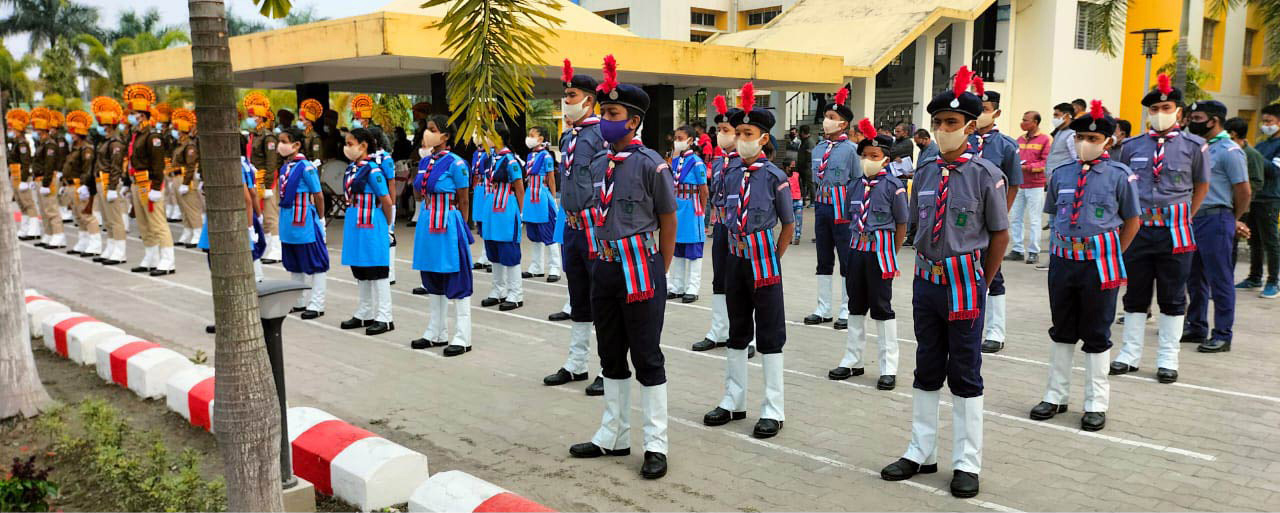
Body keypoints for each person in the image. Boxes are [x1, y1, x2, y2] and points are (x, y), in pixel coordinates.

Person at [879, 66, 1008, 499]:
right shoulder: (928, 170)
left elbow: (1000, 235)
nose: (942, 130)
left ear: (971, 127)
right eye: (937, 123)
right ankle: (920, 451)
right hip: (927, 284)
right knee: (927, 367)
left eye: (951, 123)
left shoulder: (985, 174)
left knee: (966, 372)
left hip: (964, 285)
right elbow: (917, 226)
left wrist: (980, 282)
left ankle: (967, 462)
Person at [569, 55, 675, 480]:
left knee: (647, 356)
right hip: (605, 267)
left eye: (612, 114)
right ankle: (612, 434)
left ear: (632, 122)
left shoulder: (651, 164)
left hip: (641, 269)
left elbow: (668, 220)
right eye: (604, 113)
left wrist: (660, 270)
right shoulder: (598, 163)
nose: (604, 120)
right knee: (610, 352)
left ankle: (656, 443)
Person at [1031, 100, 1140, 433]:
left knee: (1096, 332)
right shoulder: (1062, 173)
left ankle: (1095, 402)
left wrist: (1113, 254)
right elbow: (1053, 212)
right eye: (1080, 136)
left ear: (1107, 141)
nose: (1084, 143)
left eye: (1092, 138)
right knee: (1061, 328)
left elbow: (1132, 220)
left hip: (1099, 264)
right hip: (1063, 261)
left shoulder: (1120, 175)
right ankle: (1055, 395)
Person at [702, 83, 794, 439]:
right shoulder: (729, 172)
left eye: (748, 133)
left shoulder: (775, 177)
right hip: (735, 257)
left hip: (763, 260)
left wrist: (773, 256)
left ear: (764, 138)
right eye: (737, 133)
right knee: (737, 329)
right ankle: (733, 400)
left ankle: (773, 408)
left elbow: (787, 225)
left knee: (770, 334)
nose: (740, 139)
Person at [1109, 74, 1209, 384]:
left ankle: (1168, 357)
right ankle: (1130, 353)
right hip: (1139, 230)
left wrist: (1184, 216)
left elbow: (1201, 185)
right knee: (1135, 293)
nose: (1159, 113)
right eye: (1154, 108)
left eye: (1165, 107)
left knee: (1173, 295)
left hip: (1174, 232)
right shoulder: (1132, 146)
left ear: (1178, 111)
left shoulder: (1195, 146)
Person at [828, 118, 908, 391]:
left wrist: (892, 253)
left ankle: (888, 367)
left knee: (882, 308)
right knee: (855, 305)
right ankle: (853, 359)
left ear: (886, 159)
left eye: (874, 156)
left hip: (880, 252)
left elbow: (901, 224)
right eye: (864, 156)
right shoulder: (855, 185)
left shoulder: (893, 186)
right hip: (856, 250)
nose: (868, 160)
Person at [542, 59, 606, 396]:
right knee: (578, 295)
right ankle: (576, 363)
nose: (566, 100)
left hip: (595, 227)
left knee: (603, 298)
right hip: (571, 227)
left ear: (589, 100)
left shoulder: (600, 135)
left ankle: (609, 368)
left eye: (572, 95)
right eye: (565, 95)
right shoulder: (569, 137)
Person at [1181, 100, 1250, 354]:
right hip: (1193, 219)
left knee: (1220, 278)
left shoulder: (1229, 151)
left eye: (1197, 117)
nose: (1192, 122)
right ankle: (1196, 325)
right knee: (1193, 276)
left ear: (1213, 121)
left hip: (1216, 218)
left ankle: (1222, 333)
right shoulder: (1196, 147)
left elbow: (1243, 190)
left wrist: (1233, 218)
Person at [692, 96, 757, 358]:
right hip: (721, 226)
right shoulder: (718, 162)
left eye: (726, 130)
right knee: (719, 279)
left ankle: (747, 336)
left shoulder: (747, 163)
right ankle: (718, 331)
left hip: (742, 230)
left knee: (743, 282)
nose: (721, 134)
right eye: (719, 130)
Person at [410, 115, 475, 356]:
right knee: (432, 276)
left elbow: (464, 198)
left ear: (445, 136)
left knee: (456, 277)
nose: (427, 133)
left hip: (448, 220)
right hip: (428, 221)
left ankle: (462, 336)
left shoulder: (456, 164)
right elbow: (418, 193)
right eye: (427, 129)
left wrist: (463, 225)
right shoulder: (425, 162)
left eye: (432, 129)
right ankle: (436, 331)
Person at [968, 78, 1022, 354]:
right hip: (965, 219)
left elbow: (1014, 183)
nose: (980, 113)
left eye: (985, 108)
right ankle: (971, 322)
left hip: (991, 219)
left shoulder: (1006, 146)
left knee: (993, 272)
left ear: (996, 113)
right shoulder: (963, 141)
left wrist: (1002, 215)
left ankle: (995, 330)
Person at [806, 86, 858, 330]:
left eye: (832, 118)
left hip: (843, 209)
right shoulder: (818, 148)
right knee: (823, 257)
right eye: (826, 116)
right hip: (822, 206)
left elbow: (857, 182)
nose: (827, 121)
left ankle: (848, 308)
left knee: (846, 258)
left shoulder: (851, 151)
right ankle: (823, 307)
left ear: (844, 124)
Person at [339, 128, 396, 336]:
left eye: (350, 143)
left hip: (372, 223)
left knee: (378, 271)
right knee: (361, 269)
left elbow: (386, 200)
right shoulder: (351, 168)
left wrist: (387, 225)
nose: (347, 148)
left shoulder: (373, 170)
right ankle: (364, 312)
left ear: (363, 146)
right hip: (355, 224)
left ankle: (385, 316)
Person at [275, 127, 331, 320]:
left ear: (296, 145)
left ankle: (317, 303)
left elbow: (318, 195)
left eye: (284, 141)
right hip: (288, 222)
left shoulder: (306, 167)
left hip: (304, 220)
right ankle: (299, 300)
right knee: (294, 263)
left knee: (315, 263)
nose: (280, 145)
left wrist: (321, 219)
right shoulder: (285, 167)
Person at [123, 84, 176, 276]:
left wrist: (155, 186)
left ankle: (168, 260)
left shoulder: (153, 135)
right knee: (144, 224)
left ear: (142, 115)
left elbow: (157, 164)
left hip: (149, 183)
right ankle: (151, 257)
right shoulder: (137, 134)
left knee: (158, 222)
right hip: (137, 182)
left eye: (134, 112)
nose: (131, 116)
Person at [480, 122, 526, 311]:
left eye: (490, 134)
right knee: (493, 248)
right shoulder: (491, 158)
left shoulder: (510, 160)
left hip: (506, 205)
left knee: (509, 250)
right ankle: (498, 290)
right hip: (491, 206)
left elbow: (520, 187)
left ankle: (516, 293)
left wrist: (522, 214)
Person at [1239, 104, 1280, 298]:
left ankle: (1273, 281)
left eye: (1269, 122)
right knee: (1254, 238)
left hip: (1270, 198)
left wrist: (1251, 153)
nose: (1265, 125)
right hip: (1255, 197)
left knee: (1271, 240)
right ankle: (1255, 276)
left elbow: (1273, 170)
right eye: (1264, 121)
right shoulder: (1263, 144)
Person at [668, 125, 709, 303]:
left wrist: (702, 212)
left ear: (690, 140)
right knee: (677, 249)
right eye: (675, 137)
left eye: (680, 138)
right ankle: (677, 286)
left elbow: (704, 190)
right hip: (677, 207)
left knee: (693, 250)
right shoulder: (675, 160)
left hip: (692, 208)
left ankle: (692, 287)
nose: (677, 141)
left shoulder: (697, 162)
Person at [243, 92, 283, 264]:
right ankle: (267, 246)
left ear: (260, 117)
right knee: (261, 216)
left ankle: (277, 249)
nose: (250, 118)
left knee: (270, 215)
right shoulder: (253, 135)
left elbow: (272, 163)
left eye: (252, 116)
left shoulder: (268, 137)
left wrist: (268, 185)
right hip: (255, 179)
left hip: (266, 180)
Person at [89, 98, 128, 265]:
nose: (102, 128)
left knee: (115, 218)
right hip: (101, 181)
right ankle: (111, 247)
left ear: (111, 126)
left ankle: (120, 251)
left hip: (109, 182)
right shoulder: (105, 142)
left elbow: (115, 166)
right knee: (107, 219)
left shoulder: (115, 143)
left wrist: (113, 187)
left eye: (104, 125)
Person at [1010, 111, 1051, 264]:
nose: (1023, 122)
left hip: (1035, 185)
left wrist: (1028, 168)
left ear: (1035, 122)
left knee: (1034, 219)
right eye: (1023, 119)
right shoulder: (1019, 139)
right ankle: (1017, 249)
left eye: (1026, 120)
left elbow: (1045, 162)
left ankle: (1034, 251)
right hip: (1020, 184)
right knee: (1015, 218)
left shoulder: (1045, 139)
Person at [522, 126, 562, 282]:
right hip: (530, 197)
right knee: (534, 234)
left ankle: (554, 268)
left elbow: (551, 179)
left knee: (549, 233)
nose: (529, 137)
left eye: (532, 135)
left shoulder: (546, 156)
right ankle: (536, 267)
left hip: (542, 197)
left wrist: (552, 199)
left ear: (540, 139)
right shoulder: (530, 155)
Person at [61, 110, 102, 258]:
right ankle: (83, 242)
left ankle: (95, 244)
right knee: (78, 216)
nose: (70, 135)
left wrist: (85, 185)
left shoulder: (86, 148)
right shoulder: (75, 148)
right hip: (70, 185)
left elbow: (87, 168)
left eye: (73, 133)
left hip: (80, 185)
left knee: (87, 215)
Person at [29, 108, 67, 250]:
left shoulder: (50, 144)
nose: (35, 130)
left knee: (51, 208)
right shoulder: (42, 143)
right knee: (44, 209)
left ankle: (58, 235)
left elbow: (50, 164)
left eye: (37, 128)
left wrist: (46, 182)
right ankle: (49, 234)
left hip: (47, 180)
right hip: (40, 179)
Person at [170, 108, 204, 249]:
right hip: (177, 176)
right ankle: (188, 230)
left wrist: (186, 182)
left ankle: (197, 232)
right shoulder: (180, 144)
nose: (175, 132)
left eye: (177, 130)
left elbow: (190, 165)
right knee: (184, 207)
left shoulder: (189, 145)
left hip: (186, 177)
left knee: (192, 206)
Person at [7, 108, 40, 242]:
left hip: (21, 174)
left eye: (13, 129)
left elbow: (26, 163)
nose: (11, 132)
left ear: (19, 130)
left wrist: (24, 180)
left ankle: (34, 229)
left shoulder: (22, 144)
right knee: (21, 203)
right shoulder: (15, 143)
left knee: (28, 203)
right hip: (15, 174)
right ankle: (25, 228)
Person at [1047, 103, 1079, 175]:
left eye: (1056, 115)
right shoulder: (1058, 132)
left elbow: (1076, 159)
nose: (1054, 119)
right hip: (1054, 178)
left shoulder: (1072, 134)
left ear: (1067, 116)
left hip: (1065, 178)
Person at [796, 124, 814, 204]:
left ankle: (813, 202)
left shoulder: (809, 142)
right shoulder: (804, 141)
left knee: (810, 184)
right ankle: (802, 200)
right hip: (802, 166)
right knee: (802, 184)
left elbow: (810, 154)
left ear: (803, 132)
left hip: (808, 166)